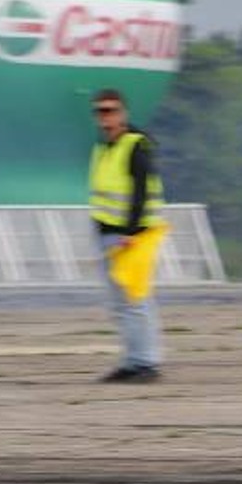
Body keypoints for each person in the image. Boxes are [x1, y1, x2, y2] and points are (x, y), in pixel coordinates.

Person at [88, 88, 165, 382]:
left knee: (136, 299)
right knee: (120, 304)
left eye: (110, 110)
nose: (104, 116)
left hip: (132, 236)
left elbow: (140, 192)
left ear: (123, 114)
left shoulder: (136, 145)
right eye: (100, 111)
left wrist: (131, 232)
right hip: (107, 233)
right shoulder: (103, 148)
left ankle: (147, 363)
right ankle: (132, 361)